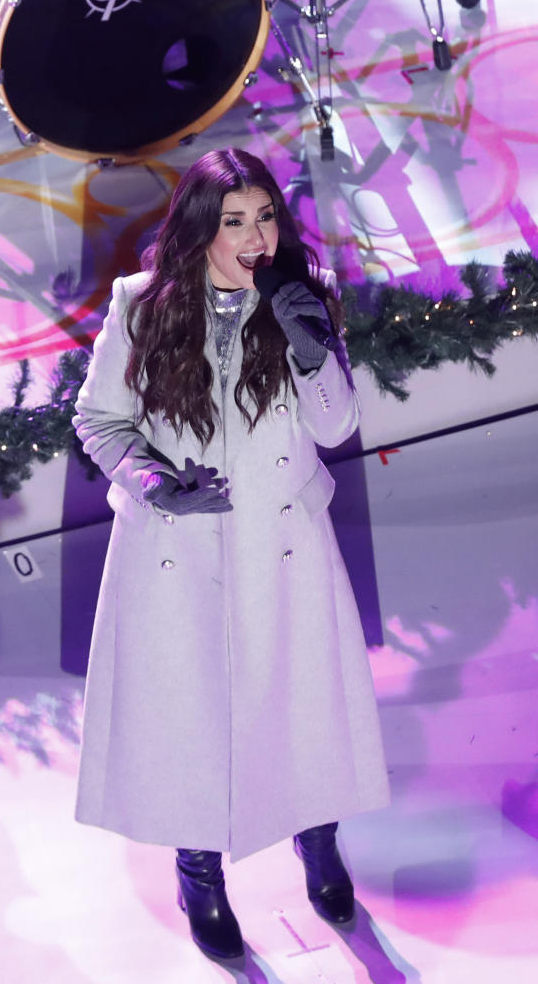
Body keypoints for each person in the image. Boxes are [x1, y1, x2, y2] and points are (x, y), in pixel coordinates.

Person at [72, 148, 389, 961]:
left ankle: (318, 844)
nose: (255, 237)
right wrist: (151, 479)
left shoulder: (302, 297)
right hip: (177, 552)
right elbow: (99, 420)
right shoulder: (141, 307)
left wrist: (310, 346)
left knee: (302, 701)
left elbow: (335, 427)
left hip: (283, 545)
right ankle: (198, 873)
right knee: (189, 717)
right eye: (234, 221)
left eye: (266, 217)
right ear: (199, 228)